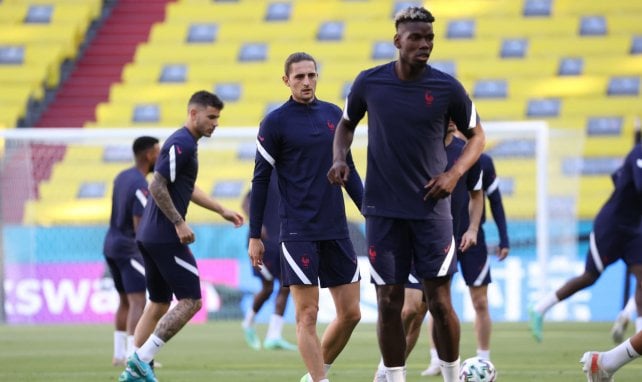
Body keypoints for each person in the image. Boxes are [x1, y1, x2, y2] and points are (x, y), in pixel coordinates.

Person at [327, 6, 486, 382]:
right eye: (416, 37)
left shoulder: (447, 87)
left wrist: (454, 173)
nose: (424, 44)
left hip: (432, 213)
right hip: (383, 212)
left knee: (439, 302)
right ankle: (394, 378)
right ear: (397, 40)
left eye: (429, 38)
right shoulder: (369, 83)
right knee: (388, 302)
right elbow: (346, 124)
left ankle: (450, 376)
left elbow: (478, 136)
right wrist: (339, 158)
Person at [248, 52, 364, 382]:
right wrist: (255, 235)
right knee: (307, 314)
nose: (306, 82)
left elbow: (349, 169)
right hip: (298, 231)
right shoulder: (275, 122)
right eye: (299, 77)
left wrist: (370, 211)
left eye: (311, 75)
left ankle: (314, 374)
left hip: (337, 230)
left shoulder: (333, 115)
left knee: (351, 314)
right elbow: (260, 180)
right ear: (286, 81)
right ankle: (320, 379)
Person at [118, 90, 244, 382]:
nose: (215, 123)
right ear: (193, 114)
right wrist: (178, 223)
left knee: (159, 302)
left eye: (217, 118)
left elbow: (186, 187)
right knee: (191, 301)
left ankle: (134, 366)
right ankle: (141, 360)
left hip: (149, 236)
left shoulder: (185, 144)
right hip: (164, 235)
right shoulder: (182, 143)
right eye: (211, 117)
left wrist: (220, 209)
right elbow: (157, 185)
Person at [372, 122, 484, 381]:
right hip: (413, 238)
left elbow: (476, 195)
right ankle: (385, 371)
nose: (452, 119)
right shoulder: (417, 148)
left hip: (445, 242)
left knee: (425, 311)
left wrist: (473, 229)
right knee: (409, 309)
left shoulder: (467, 152)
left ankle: (388, 372)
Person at [529, 142, 642, 343]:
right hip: (611, 227)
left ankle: (639, 334)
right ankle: (540, 308)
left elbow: (616, 176)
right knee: (590, 277)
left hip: (634, 229)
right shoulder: (639, 153)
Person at [423, 145, 510, 376]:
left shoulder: (482, 161)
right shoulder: (432, 153)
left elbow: (494, 200)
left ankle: (483, 359)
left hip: (473, 240)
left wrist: (504, 238)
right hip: (441, 237)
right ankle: (437, 359)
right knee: (438, 302)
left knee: (480, 302)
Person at [103, 136, 160, 366]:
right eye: (157, 151)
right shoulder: (139, 184)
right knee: (138, 301)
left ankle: (119, 354)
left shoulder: (121, 177)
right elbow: (139, 225)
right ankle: (132, 356)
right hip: (128, 247)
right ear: (148, 155)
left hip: (111, 244)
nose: (160, 156)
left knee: (124, 300)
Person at [240, 172, 297, 351]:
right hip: (262, 243)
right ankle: (248, 323)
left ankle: (274, 335)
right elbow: (246, 202)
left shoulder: (291, 175)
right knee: (268, 287)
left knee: (286, 286)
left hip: (283, 239)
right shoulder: (266, 173)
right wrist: (257, 225)